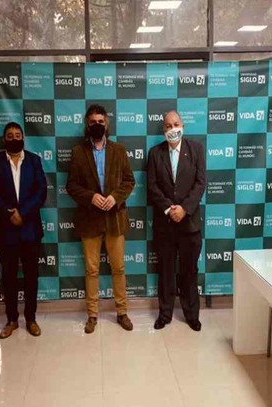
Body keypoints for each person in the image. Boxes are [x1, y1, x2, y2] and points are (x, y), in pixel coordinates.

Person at [66, 104, 135, 334]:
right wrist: (91, 197)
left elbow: (129, 181)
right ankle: (92, 315)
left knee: (119, 268)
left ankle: (122, 312)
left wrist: (115, 197)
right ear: (87, 125)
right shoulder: (78, 152)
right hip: (90, 218)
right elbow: (71, 185)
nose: (97, 125)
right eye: (93, 122)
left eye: (101, 122)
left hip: (115, 217)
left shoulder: (119, 150)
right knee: (92, 270)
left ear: (107, 124)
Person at [0, 122, 47, 339]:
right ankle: (11, 319)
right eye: (9, 135)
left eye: (17, 135)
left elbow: (41, 191)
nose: (14, 138)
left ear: (23, 138)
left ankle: (31, 318)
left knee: (31, 277)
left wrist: (23, 213)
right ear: (4, 139)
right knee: (9, 277)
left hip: (30, 228)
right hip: (5, 228)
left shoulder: (34, 160)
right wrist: (9, 213)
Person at [146, 111, 206, 331]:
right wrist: (168, 209)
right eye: (168, 125)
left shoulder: (196, 149)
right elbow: (152, 186)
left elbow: (200, 183)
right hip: (165, 224)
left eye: (176, 124)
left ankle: (192, 315)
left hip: (189, 223)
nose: (173, 129)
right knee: (166, 271)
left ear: (183, 126)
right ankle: (165, 314)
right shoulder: (155, 153)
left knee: (189, 271)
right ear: (163, 130)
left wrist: (184, 209)